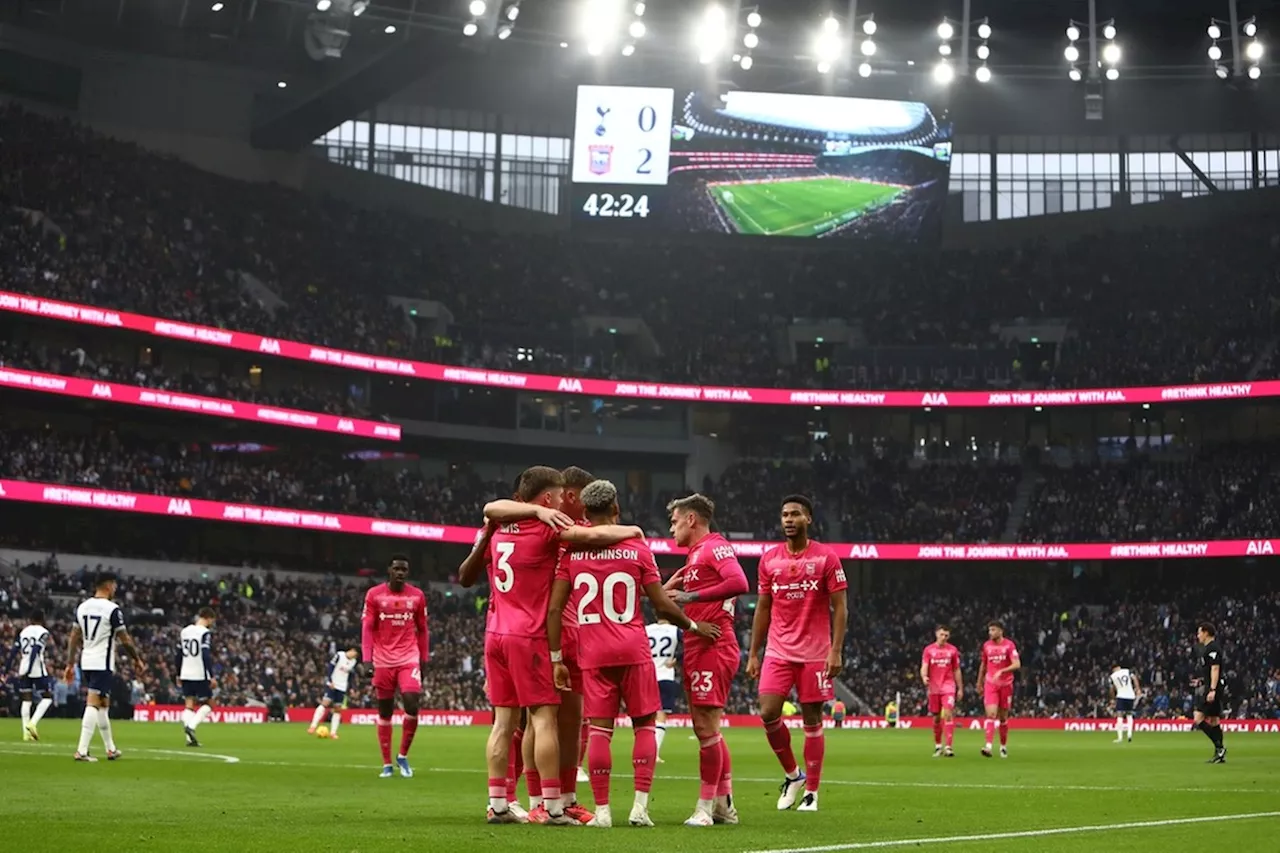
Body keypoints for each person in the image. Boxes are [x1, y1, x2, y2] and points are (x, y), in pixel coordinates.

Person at [547, 478, 721, 828]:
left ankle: (603, 812)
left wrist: (555, 659)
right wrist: (693, 626)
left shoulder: (571, 553)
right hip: (632, 647)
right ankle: (640, 809)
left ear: (584, 512)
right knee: (644, 726)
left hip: (592, 651)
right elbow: (661, 604)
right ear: (616, 509)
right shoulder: (637, 548)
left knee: (599, 731)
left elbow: (554, 610)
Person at [481, 466, 644, 825]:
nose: (562, 501)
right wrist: (632, 531)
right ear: (549, 497)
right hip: (531, 633)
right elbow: (592, 537)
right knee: (544, 719)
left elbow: (491, 508)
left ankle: (499, 803)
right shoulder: (548, 528)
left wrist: (532, 510)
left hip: (496, 632)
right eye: (555, 496)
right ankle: (554, 806)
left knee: (506, 722)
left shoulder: (500, 525)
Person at [746, 494, 848, 813]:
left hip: (815, 653)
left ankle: (812, 792)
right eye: (784, 515)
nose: (788, 519)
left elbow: (841, 607)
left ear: (809, 520)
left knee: (812, 718)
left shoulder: (826, 557)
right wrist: (752, 653)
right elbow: (763, 607)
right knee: (767, 712)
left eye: (795, 514)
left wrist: (836, 650)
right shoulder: (769, 560)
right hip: (778, 650)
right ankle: (793, 775)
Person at [664, 493, 750, 827]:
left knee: (706, 727)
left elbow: (740, 582)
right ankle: (723, 806)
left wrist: (691, 596)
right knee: (706, 730)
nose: (671, 529)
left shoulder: (715, 546)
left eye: (674, 521)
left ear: (691, 519)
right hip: (698, 642)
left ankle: (704, 808)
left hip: (714, 642)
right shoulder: (695, 555)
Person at [65, 571, 146, 762]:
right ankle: (82, 751)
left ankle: (110, 749)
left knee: (103, 704)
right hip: (102, 662)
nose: (116, 588)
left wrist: (69, 663)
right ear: (108, 585)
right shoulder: (112, 609)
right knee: (93, 703)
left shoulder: (82, 607)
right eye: (114, 585)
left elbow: (74, 637)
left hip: (86, 660)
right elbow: (124, 638)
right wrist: (136, 658)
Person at [361, 554, 429, 778]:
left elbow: (423, 629)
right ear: (389, 570)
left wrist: (424, 659)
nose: (400, 572)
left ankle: (403, 755)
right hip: (382, 659)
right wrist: (367, 658)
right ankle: (387, 764)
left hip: (408, 657)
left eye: (404, 569)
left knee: (411, 702)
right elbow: (368, 627)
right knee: (385, 710)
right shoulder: (374, 595)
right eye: (397, 568)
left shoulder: (417, 596)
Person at [977, 620, 1020, 758]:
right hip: (991, 684)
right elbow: (983, 665)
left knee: (1003, 718)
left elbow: (1017, 664)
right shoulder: (986, 646)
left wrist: (1002, 671)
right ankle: (988, 746)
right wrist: (979, 682)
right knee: (991, 714)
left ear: (1001, 631)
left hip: (1006, 684)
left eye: (993, 630)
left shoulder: (1009, 645)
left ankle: (1003, 746)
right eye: (989, 630)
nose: (990, 633)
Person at [177, 607, 217, 747]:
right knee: (210, 704)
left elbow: (179, 654)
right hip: (199, 673)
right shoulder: (205, 633)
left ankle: (189, 739)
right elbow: (205, 654)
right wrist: (211, 675)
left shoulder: (185, 631)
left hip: (185, 672)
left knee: (189, 704)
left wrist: (178, 673)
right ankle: (191, 727)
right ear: (209, 618)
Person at [921, 624, 962, 758]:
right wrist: (924, 676)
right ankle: (938, 745)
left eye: (946, 635)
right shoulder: (928, 650)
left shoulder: (953, 651)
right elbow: (924, 666)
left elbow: (956, 670)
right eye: (942, 634)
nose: (944, 637)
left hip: (948, 686)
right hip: (934, 688)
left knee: (948, 713)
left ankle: (948, 746)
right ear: (936, 634)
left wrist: (960, 687)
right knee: (936, 718)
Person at [645, 616, 681, 764]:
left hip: (647, 675)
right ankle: (654, 753)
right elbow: (691, 645)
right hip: (665, 676)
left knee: (647, 716)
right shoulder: (675, 630)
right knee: (661, 716)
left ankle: (644, 751)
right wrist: (678, 658)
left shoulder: (647, 630)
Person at [16, 610, 54, 742]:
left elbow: (14, 650)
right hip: (36, 668)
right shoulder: (43, 632)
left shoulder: (23, 632)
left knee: (26, 700)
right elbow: (36, 651)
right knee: (48, 698)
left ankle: (25, 734)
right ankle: (32, 723)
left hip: (23, 666)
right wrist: (31, 667)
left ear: (30, 619)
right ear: (42, 619)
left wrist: (6, 670)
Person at [1193, 623, 1227, 764]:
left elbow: (1215, 669)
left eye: (1199, 632)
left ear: (1206, 633)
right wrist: (1202, 681)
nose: (1198, 635)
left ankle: (1220, 748)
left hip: (1213, 689)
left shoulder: (1212, 648)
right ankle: (1219, 754)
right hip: (1212, 686)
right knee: (1214, 721)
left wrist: (1212, 689)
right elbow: (1209, 672)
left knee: (1198, 718)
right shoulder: (1208, 649)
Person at [309, 648, 359, 739]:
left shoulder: (353, 662)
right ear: (351, 650)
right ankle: (313, 726)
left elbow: (351, 675)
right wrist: (330, 680)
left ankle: (333, 732)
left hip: (342, 687)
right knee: (325, 703)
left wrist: (352, 688)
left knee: (337, 709)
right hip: (332, 684)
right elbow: (330, 667)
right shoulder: (339, 655)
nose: (354, 656)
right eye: (354, 654)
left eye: (356, 656)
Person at [1109, 663, 1140, 744]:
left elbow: (1111, 689)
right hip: (1130, 696)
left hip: (1121, 696)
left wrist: (1112, 699)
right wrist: (1138, 689)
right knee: (1129, 715)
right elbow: (1134, 678)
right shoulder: (1127, 671)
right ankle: (1129, 734)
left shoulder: (1113, 676)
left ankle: (1120, 738)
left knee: (1120, 716)